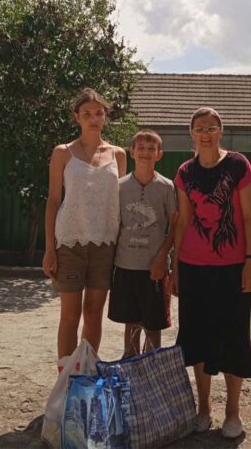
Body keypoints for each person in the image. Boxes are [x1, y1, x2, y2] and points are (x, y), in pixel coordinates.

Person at [171, 107, 251, 440]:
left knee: (234, 337)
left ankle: (232, 413)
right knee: (197, 337)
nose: (205, 133)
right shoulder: (185, 171)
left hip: (233, 267)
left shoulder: (238, 165)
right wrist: (175, 266)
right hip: (193, 267)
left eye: (211, 127)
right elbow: (182, 221)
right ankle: (203, 409)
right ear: (191, 133)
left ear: (220, 131)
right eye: (199, 128)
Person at [42, 88, 126, 372]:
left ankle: (86, 376)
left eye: (99, 113)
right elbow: (54, 201)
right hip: (69, 243)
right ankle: (66, 383)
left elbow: (121, 202)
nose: (93, 118)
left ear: (105, 117)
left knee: (93, 314)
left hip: (105, 244)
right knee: (69, 315)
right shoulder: (62, 153)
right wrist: (49, 249)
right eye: (87, 113)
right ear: (76, 117)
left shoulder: (118, 154)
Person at [108, 129, 177, 355]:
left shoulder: (166, 187)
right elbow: (114, 225)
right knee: (131, 321)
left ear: (159, 154)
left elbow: (175, 226)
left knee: (154, 323)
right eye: (141, 149)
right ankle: (130, 364)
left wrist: (162, 257)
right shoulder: (119, 186)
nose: (145, 153)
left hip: (154, 268)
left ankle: (151, 365)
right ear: (132, 152)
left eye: (151, 149)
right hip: (126, 264)